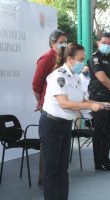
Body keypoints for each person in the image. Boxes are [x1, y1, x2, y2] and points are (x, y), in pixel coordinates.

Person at [39, 43, 109, 200]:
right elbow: (64, 103)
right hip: (51, 125)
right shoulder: (58, 76)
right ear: (70, 59)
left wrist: (98, 103)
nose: (83, 63)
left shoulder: (76, 77)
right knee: (51, 169)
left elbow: (80, 99)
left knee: (63, 169)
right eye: (81, 59)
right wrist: (91, 105)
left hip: (65, 125)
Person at [32, 29, 68, 185]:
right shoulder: (47, 58)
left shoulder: (65, 59)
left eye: (65, 41)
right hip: (49, 108)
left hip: (63, 108)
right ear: (53, 43)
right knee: (48, 145)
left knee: (59, 147)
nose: (64, 44)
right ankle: (44, 177)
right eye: (61, 42)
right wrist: (41, 102)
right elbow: (36, 84)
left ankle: (55, 176)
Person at [87, 32, 110, 171]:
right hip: (99, 98)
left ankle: (106, 159)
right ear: (98, 43)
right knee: (100, 131)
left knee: (108, 131)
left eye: (109, 43)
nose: (107, 45)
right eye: (104, 42)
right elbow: (101, 78)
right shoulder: (95, 59)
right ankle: (99, 162)